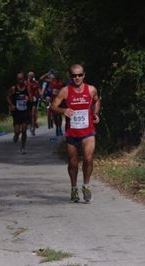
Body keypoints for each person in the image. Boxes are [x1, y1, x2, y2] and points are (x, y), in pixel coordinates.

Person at [51, 64, 101, 203]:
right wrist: (63, 111)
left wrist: (95, 113)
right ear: (70, 76)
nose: (77, 78)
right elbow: (53, 106)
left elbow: (97, 101)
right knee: (73, 162)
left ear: (84, 75)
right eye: (74, 75)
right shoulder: (65, 91)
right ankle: (74, 188)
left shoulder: (91, 89)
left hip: (88, 132)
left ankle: (86, 186)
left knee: (88, 158)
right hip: (72, 132)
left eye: (79, 75)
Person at [6, 72, 30, 154]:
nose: (20, 81)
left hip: (25, 111)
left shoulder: (27, 88)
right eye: (19, 79)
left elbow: (31, 99)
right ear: (17, 80)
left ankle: (23, 147)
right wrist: (11, 105)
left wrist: (28, 99)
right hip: (16, 112)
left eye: (22, 79)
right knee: (17, 131)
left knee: (24, 131)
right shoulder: (13, 88)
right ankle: (16, 135)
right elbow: (8, 97)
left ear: (24, 79)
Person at [25, 71, 40, 136]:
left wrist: (40, 94)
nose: (31, 77)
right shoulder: (25, 83)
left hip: (34, 99)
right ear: (28, 76)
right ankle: (33, 123)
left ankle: (33, 129)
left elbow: (38, 89)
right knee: (30, 115)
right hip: (28, 100)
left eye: (32, 76)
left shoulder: (36, 82)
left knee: (33, 113)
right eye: (30, 76)